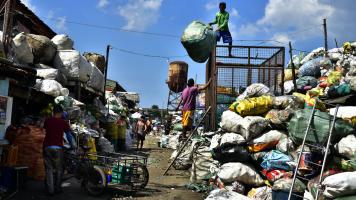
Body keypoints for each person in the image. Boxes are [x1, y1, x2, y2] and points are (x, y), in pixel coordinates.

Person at [43, 105, 70, 196]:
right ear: (61, 113)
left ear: (53, 112)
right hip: (58, 148)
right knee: (59, 169)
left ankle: (50, 190)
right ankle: (57, 188)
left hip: (47, 147)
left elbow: (45, 129)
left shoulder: (47, 120)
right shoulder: (63, 122)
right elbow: (68, 133)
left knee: (49, 169)